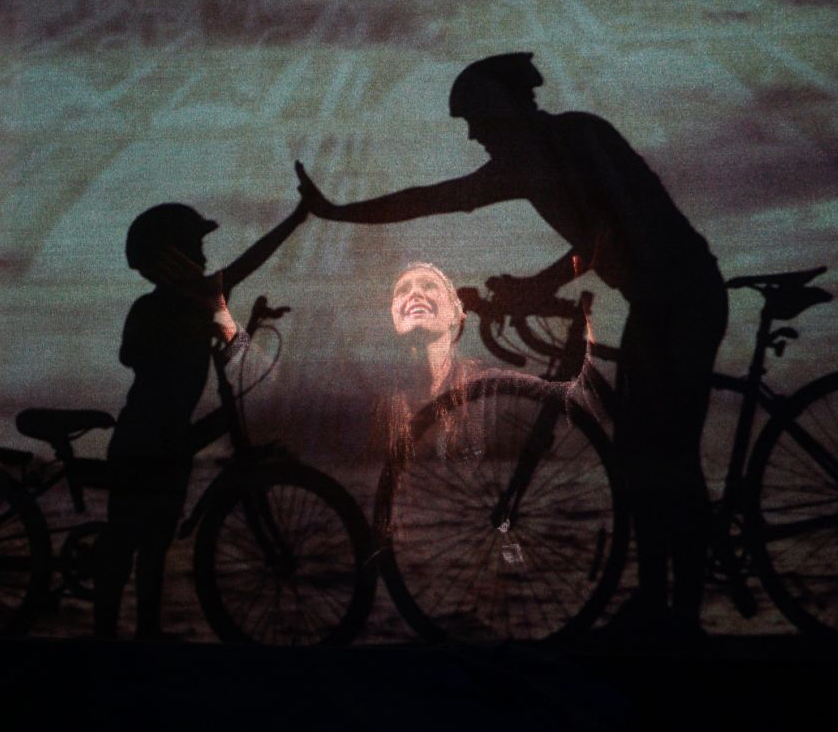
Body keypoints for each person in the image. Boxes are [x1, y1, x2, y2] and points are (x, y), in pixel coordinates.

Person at [296, 52, 727, 639]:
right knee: (641, 456)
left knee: (665, 456)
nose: (472, 134)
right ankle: (660, 608)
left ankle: (678, 616)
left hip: (684, 297)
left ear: (503, 110)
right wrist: (337, 213)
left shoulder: (580, 136)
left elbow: (610, 228)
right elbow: (428, 198)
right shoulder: (521, 166)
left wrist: (538, 285)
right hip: (658, 304)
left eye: (475, 118)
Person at [94, 177, 312, 641]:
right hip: (146, 444)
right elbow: (135, 355)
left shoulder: (198, 305)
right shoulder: (156, 309)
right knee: (128, 548)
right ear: (170, 256)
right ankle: (108, 641)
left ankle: (139, 641)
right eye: (195, 247)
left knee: (150, 550)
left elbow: (241, 289)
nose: (205, 257)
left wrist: (243, 322)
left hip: (167, 445)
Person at [373, 261, 483, 465]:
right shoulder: (378, 400)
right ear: (393, 315)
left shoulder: (486, 386)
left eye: (429, 286)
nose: (414, 294)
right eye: (402, 291)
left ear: (456, 313)